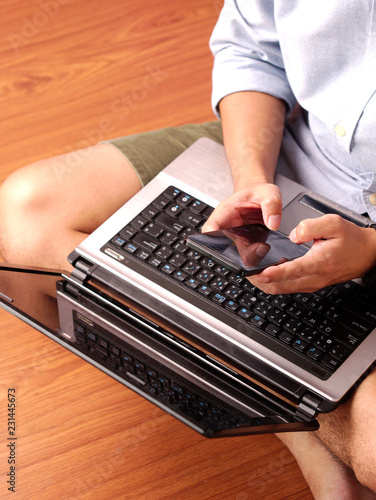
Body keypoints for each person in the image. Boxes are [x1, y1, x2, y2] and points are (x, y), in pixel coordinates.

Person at [1, 1, 376, 497]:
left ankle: (281, 393)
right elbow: (252, 52)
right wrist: (251, 178)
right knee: (22, 220)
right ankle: (297, 425)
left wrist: (370, 249)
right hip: (302, 153)